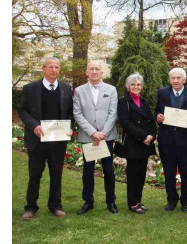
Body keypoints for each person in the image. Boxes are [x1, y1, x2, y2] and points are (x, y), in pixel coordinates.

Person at [18, 57, 73, 220]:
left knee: (56, 174)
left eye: (57, 67)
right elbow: (23, 110)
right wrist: (34, 125)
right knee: (35, 174)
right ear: (43, 69)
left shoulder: (65, 88)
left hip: (58, 140)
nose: (54, 70)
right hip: (37, 140)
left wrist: (69, 127)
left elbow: (69, 111)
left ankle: (55, 206)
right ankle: (30, 207)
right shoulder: (30, 88)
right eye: (50, 67)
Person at [73, 61, 119, 215]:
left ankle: (111, 201)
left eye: (97, 69)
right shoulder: (79, 91)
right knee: (88, 171)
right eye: (91, 69)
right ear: (86, 72)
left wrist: (103, 133)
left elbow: (113, 113)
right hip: (89, 137)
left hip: (106, 137)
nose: (94, 71)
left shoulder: (111, 90)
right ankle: (88, 201)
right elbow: (77, 114)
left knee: (109, 170)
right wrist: (93, 133)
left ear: (102, 73)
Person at [155, 67, 187, 213]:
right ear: (170, 80)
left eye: (178, 78)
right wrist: (158, 117)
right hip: (166, 139)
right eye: (173, 78)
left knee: (186, 172)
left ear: (184, 80)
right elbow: (157, 111)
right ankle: (171, 200)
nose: (175, 81)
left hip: (185, 140)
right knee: (168, 172)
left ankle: (186, 201)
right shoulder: (162, 93)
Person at [118, 73, 157, 214]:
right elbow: (125, 123)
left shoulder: (144, 102)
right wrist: (144, 135)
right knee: (133, 174)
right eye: (133, 84)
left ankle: (138, 200)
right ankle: (132, 203)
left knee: (141, 174)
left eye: (138, 84)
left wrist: (152, 134)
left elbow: (151, 121)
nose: (136, 87)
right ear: (128, 86)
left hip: (145, 143)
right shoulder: (123, 102)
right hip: (133, 143)